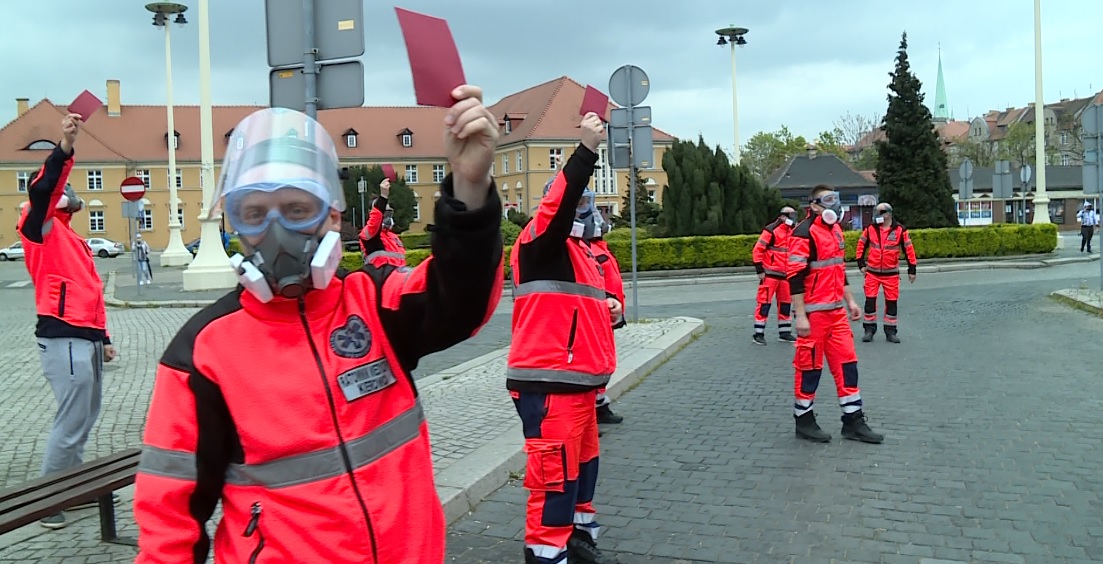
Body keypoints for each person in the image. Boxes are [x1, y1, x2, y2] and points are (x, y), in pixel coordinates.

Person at [132, 85, 503, 563]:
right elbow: (168, 511)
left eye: (296, 209)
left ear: (331, 212)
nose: (276, 230)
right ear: (234, 224)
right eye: (254, 214)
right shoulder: (204, 350)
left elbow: (461, 298)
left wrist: (470, 189)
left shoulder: (372, 300)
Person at [508, 112, 623, 564]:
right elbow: (559, 206)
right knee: (554, 481)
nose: (584, 207)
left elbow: (577, 306)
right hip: (549, 385)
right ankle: (545, 554)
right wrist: (586, 150)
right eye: (578, 200)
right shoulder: (541, 240)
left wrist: (611, 309)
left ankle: (575, 542)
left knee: (581, 473)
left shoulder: (581, 252)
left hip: (580, 386)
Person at [17, 113, 118, 529]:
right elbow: (45, 187)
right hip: (64, 337)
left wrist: (104, 336)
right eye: (67, 194)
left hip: (84, 337)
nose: (72, 197)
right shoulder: (38, 226)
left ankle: (70, 489)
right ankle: (49, 503)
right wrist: (64, 148)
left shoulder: (69, 235)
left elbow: (89, 291)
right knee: (71, 419)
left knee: (85, 415)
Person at [787, 185, 883, 444]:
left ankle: (853, 420)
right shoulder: (803, 234)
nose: (835, 206)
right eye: (828, 201)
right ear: (814, 206)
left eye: (836, 200)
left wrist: (850, 302)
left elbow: (838, 270)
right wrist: (800, 315)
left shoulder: (836, 231)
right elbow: (794, 278)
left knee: (847, 364)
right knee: (810, 368)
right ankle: (803, 419)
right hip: (813, 314)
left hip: (836, 313)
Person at [584, 210, 625, 426]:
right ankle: (593, 411)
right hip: (598, 312)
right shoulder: (588, 248)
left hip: (608, 310)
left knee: (604, 362)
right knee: (596, 363)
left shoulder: (598, 247)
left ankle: (598, 407)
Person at [855, 202, 917, 344]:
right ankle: (869, 330)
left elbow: (909, 250)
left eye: (880, 212)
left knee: (891, 303)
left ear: (888, 214)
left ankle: (890, 331)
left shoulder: (900, 230)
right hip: (872, 272)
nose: (877, 215)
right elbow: (861, 245)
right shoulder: (870, 229)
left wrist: (912, 269)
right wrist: (861, 264)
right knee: (870, 302)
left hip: (891, 274)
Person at [751, 206, 798, 345]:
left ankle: (784, 332)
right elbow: (757, 250)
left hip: (786, 275)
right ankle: (758, 333)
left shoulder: (793, 231)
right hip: (770, 274)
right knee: (764, 303)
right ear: (783, 216)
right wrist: (759, 270)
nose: (793, 218)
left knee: (785, 304)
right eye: (791, 215)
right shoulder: (771, 230)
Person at [359, 177, 407, 268]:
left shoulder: (393, 237)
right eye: (384, 211)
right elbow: (376, 219)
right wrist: (383, 197)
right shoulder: (369, 234)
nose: (387, 215)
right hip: (380, 280)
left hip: (398, 279)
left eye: (389, 211)